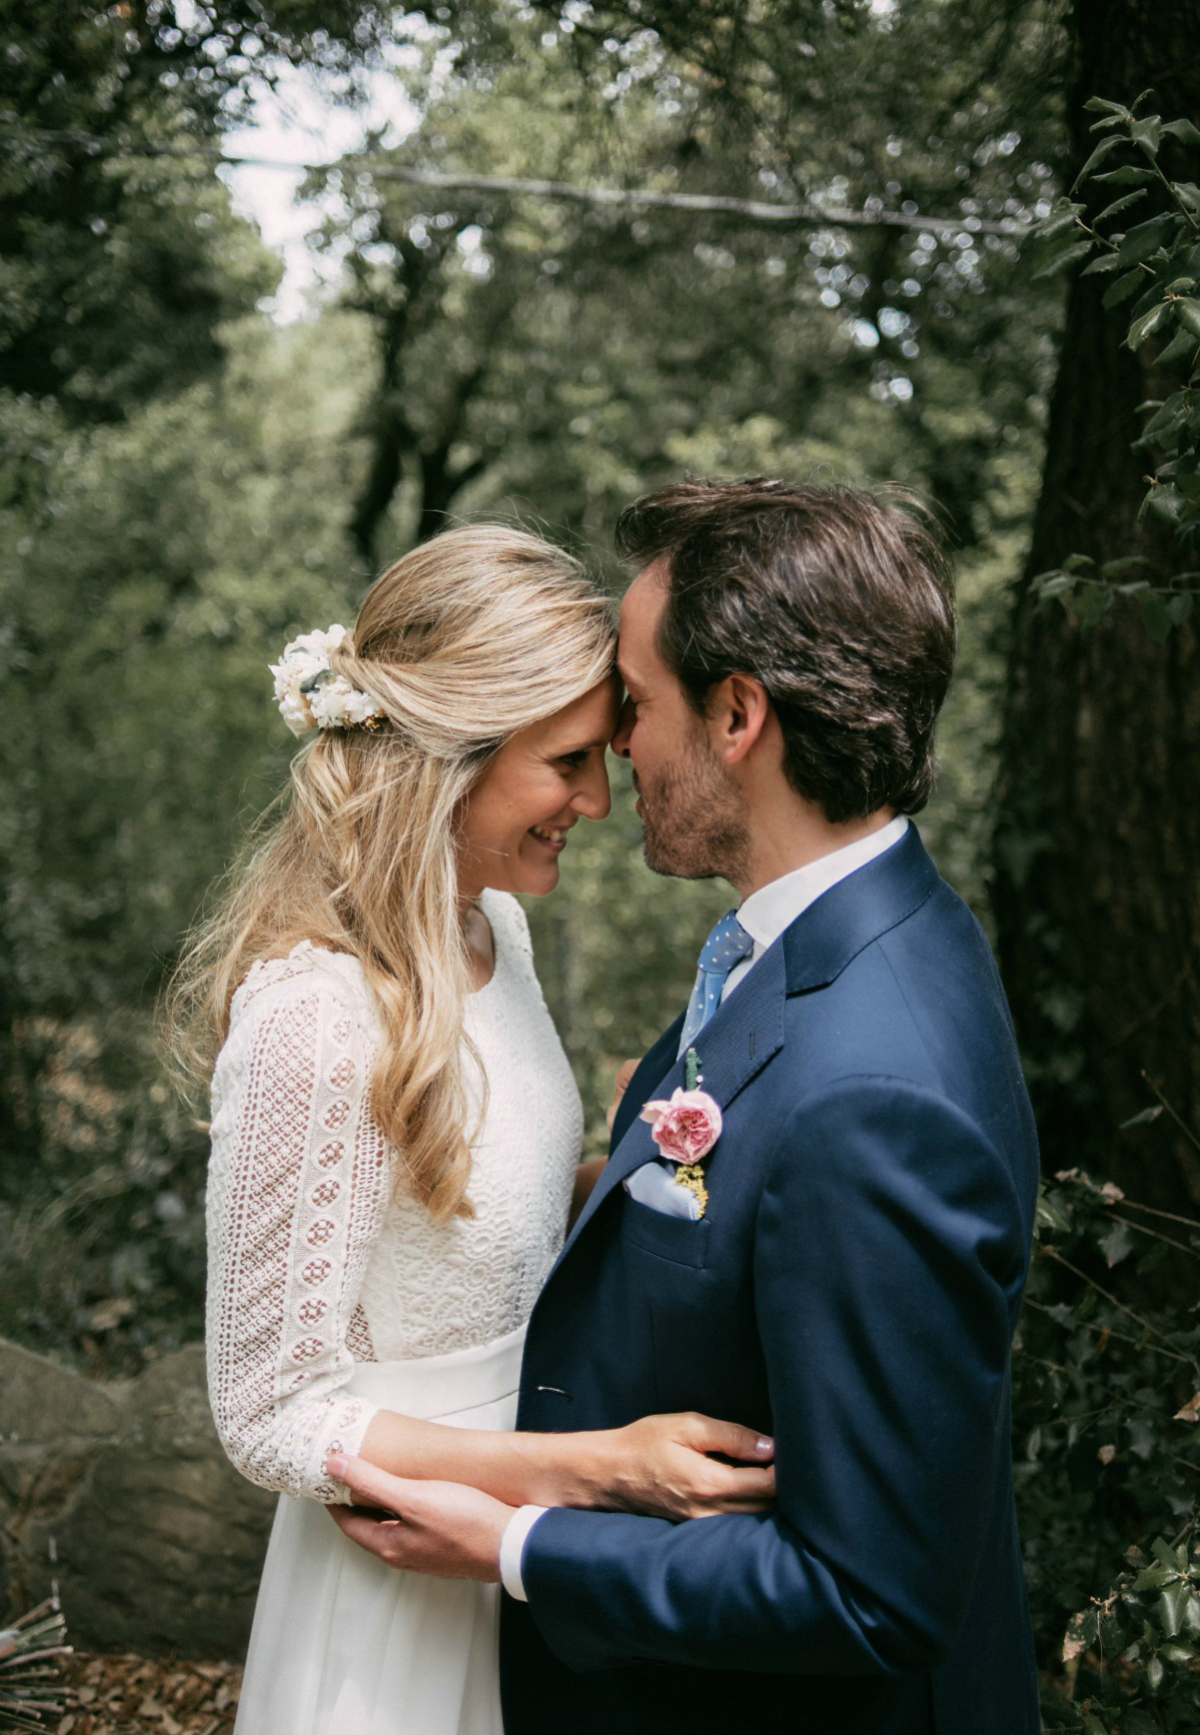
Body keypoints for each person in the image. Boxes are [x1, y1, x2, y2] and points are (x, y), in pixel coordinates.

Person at [329, 481, 1043, 1735]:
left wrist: (520, 1544)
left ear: (737, 715)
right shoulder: (840, 943)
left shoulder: (871, 1088)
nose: (615, 751)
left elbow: (870, 1595)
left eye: (636, 706)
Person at [165, 524, 776, 1735]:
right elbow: (268, 1414)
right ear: (442, 759)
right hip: (404, 1579)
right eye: (564, 762)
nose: (599, 801)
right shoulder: (318, 1017)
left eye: (603, 753)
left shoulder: (496, 928)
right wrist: (593, 1470)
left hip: (530, 1555)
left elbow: (470, 1219)